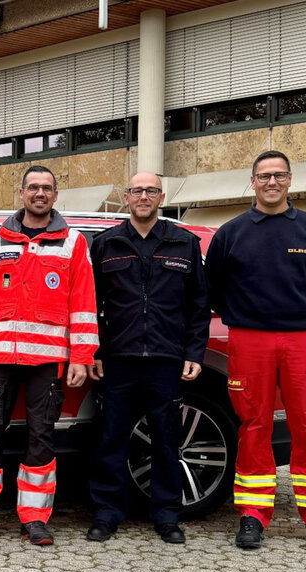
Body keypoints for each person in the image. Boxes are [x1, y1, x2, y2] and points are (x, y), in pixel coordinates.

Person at [206, 150, 306, 553]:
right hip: (249, 339)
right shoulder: (231, 233)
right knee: (253, 424)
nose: (271, 182)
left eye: (279, 175)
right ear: (252, 182)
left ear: (290, 181)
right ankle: (252, 516)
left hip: (303, 338)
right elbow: (213, 288)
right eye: (263, 176)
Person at [0, 165, 99, 546]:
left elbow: (83, 307)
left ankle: (35, 518)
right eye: (33, 187)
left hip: (47, 364)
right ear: (21, 193)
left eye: (46, 188)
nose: (39, 193)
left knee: (41, 437)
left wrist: (82, 357)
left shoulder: (73, 243)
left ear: (55, 194)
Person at [84, 172, 209, 545]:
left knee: (167, 439)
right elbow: (89, 306)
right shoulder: (106, 244)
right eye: (137, 190)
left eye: (150, 191)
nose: (143, 196)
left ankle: (167, 515)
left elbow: (199, 305)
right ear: (126, 197)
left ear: (161, 196)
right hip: (118, 359)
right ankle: (107, 513)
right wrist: (94, 351)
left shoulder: (184, 243)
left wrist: (194, 353)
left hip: (166, 359)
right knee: (111, 438)